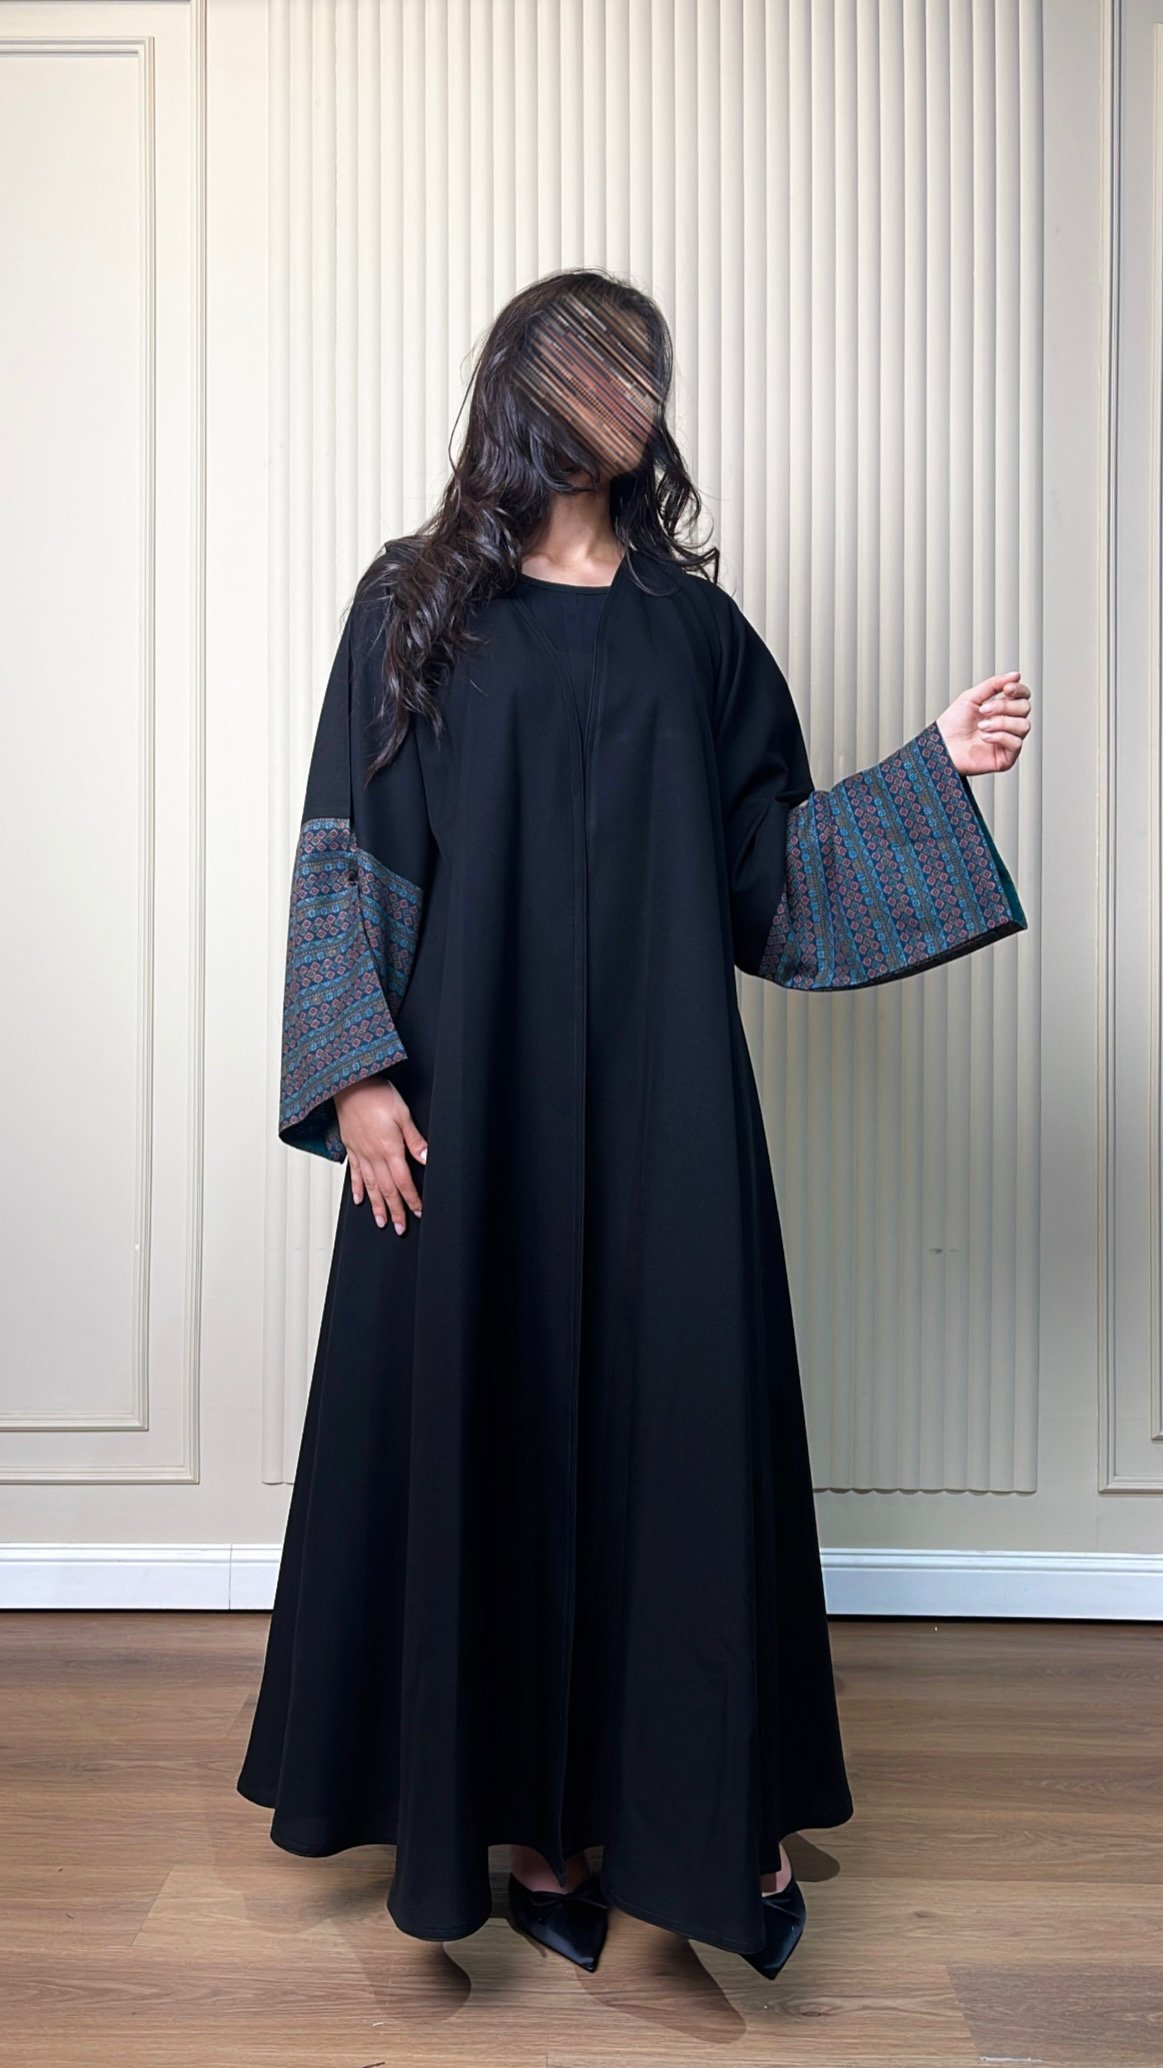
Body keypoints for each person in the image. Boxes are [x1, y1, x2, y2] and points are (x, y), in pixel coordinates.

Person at [236, 267, 1031, 1978]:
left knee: (677, 1445)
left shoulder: (694, 631)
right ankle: (526, 1835)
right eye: (598, 364)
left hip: (669, 1106)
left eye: (646, 367)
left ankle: (693, 1825)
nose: (631, 392)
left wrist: (930, 773)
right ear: (522, 386)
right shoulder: (415, 604)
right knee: (491, 1439)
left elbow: (773, 875)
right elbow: (346, 843)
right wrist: (358, 1076)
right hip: (465, 1110)